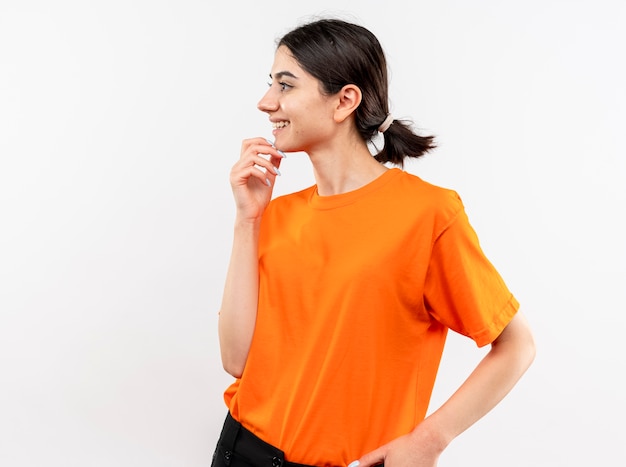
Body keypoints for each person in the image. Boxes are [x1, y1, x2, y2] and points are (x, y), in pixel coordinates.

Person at [213, 17, 535, 467]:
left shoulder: (427, 214)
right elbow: (235, 360)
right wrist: (247, 220)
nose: (267, 103)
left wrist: (430, 440)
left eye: (286, 85)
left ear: (345, 100)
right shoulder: (275, 214)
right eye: (271, 84)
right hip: (240, 450)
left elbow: (517, 345)